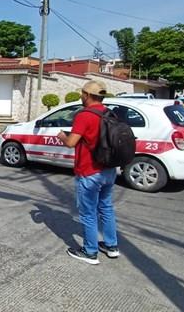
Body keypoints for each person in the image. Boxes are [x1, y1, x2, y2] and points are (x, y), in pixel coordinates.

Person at [57, 80, 119, 265]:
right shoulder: (109, 113)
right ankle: (111, 245)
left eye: (82, 93)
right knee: (106, 208)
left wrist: (62, 136)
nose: (81, 96)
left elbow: (71, 143)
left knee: (88, 213)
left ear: (87, 95)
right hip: (109, 169)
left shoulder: (84, 115)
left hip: (89, 171)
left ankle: (90, 252)